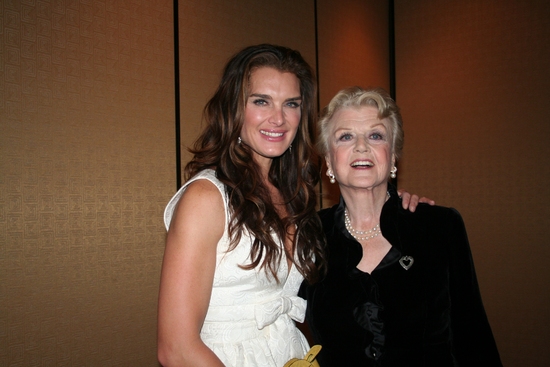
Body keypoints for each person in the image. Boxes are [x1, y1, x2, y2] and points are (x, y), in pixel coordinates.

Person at [157, 44, 427, 367]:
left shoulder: (294, 197)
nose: (279, 118)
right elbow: (175, 348)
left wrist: (397, 208)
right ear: (234, 108)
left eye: (291, 104)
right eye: (261, 101)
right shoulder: (206, 197)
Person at [300, 86, 502, 366]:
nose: (361, 146)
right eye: (345, 136)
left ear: (392, 155)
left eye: (376, 135)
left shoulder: (439, 226)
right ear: (329, 160)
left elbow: (473, 337)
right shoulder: (307, 236)